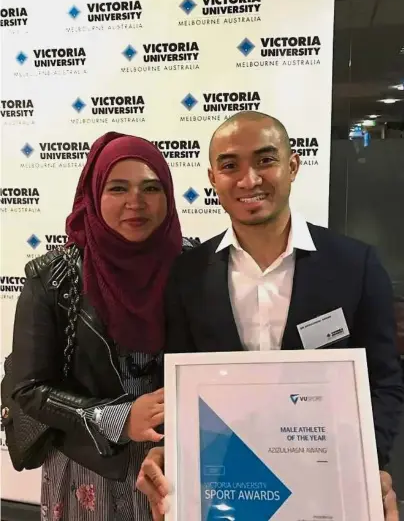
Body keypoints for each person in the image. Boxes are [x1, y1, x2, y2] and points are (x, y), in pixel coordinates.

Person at [136, 111, 404, 520]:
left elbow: (383, 380)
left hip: (325, 484)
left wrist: (370, 463)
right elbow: (179, 383)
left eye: (265, 160)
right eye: (230, 166)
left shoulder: (355, 266)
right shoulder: (188, 274)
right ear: (213, 178)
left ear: (292, 165)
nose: (248, 180)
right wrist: (175, 452)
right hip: (227, 484)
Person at [11, 132, 196, 520]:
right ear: (93, 195)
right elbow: (27, 389)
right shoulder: (54, 277)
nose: (136, 202)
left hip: (180, 463)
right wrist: (119, 417)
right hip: (89, 471)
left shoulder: (192, 268)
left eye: (151, 187)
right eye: (118, 188)